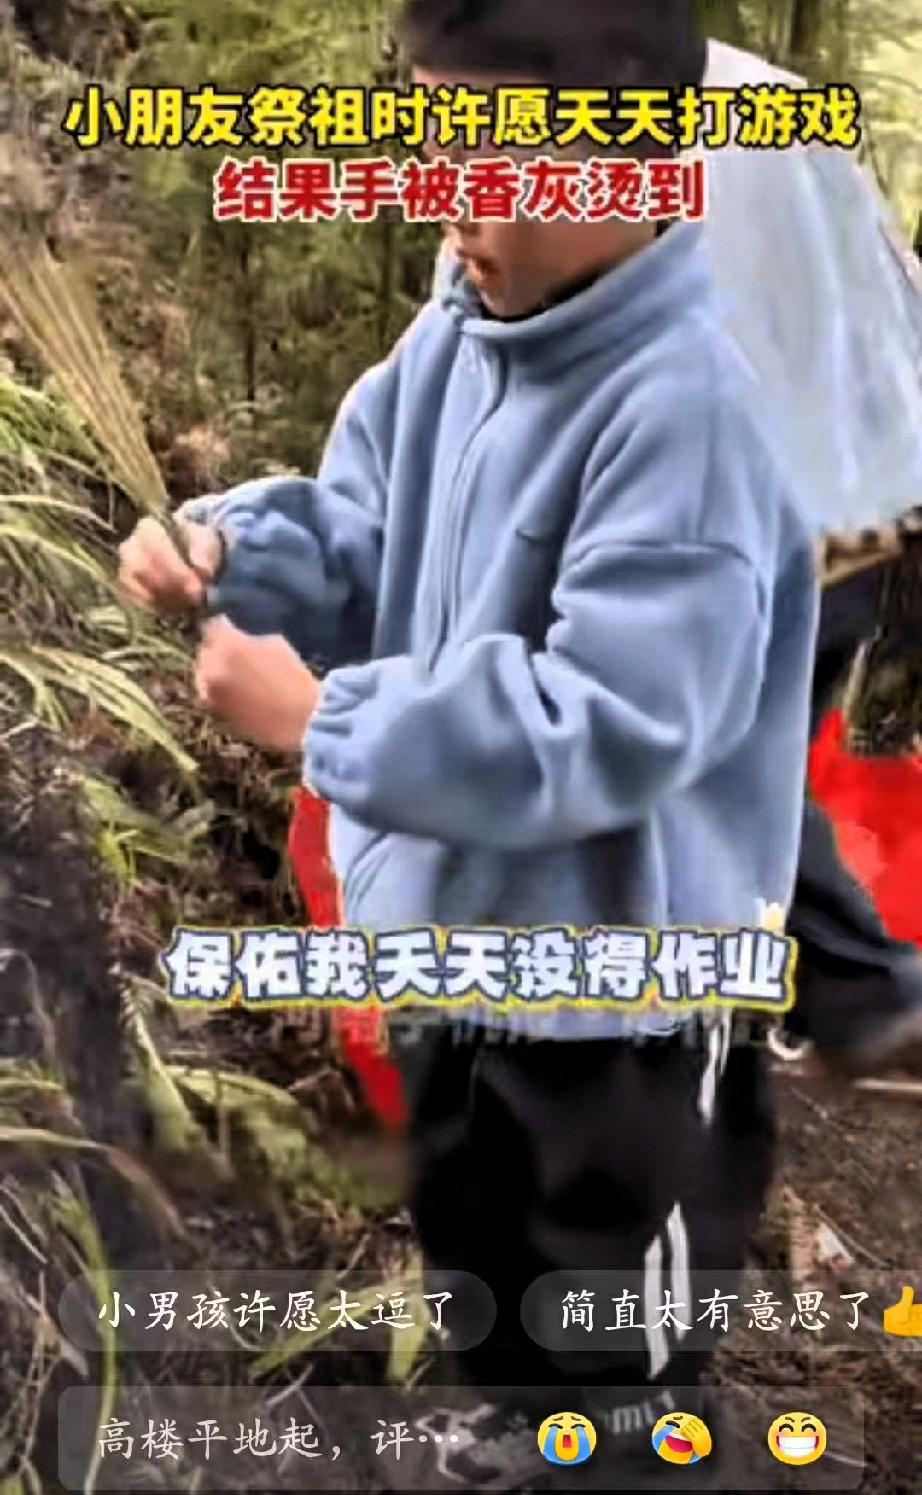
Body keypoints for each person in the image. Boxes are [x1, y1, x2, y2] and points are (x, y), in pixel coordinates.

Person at [120, 0, 825, 1477]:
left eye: (491, 152)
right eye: (429, 135)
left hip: (621, 1004)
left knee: (608, 1321)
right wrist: (229, 550)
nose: (443, 192)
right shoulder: (457, 321)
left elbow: (611, 719)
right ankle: (517, 1430)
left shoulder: (696, 400)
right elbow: (364, 527)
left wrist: (322, 716)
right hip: (455, 942)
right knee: (479, 1257)